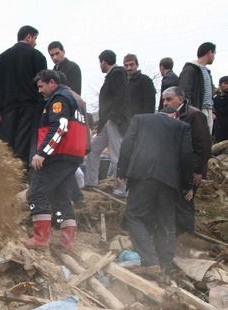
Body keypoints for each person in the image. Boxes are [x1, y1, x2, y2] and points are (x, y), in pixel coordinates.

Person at [117, 108, 193, 273]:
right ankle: (166, 266)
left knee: (134, 215)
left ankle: (150, 259)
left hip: (142, 175)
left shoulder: (140, 118)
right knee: (166, 222)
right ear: (174, 116)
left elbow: (127, 144)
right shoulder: (182, 127)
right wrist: (187, 184)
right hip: (169, 180)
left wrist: (122, 171)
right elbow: (187, 156)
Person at [24, 70, 87, 250]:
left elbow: (60, 127)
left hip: (59, 154)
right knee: (61, 195)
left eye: (41, 86)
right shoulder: (76, 99)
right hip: (72, 155)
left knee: (37, 191)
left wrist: (43, 152)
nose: (39, 91)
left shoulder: (59, 99)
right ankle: (67, 241)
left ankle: (40, 238)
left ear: (52, 82)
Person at [0, 25, 48, 163]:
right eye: (35, 38)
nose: (36, 43)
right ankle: (21, 176)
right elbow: (42, 83)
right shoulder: (37, 56)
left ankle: (8, 176)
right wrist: (42, 106)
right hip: (30, 108)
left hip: (7, 109)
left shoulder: (2, 58)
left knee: (7, 145)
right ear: (29, 36)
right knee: (24, 144)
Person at [161, 86, 212, 234]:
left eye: (169, 99)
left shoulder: (194, 115)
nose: (165, 103)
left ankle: (186, 236)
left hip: (190, 167)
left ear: (181, 99)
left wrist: (198, 170)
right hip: (174, 167)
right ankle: (174, 234)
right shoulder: (170, 115)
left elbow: (203, 145)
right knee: (174, 200)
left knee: (185, 202)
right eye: (164, 99)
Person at [83, 50, 130, 192]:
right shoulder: (113, 75)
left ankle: (120, 190)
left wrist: (112, 117)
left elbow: (119, 97)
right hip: (107, 122)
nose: (100, 66)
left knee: (116, 156)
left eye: (100, 63)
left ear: (103, 61)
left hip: (115, 121)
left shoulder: (117, 73)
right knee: (93, 150)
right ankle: (91, 183)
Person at [179, 42, 217, 132]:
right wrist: (191, 111)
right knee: (197, 139)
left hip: (208, 110)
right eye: (214, 54)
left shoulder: (207, 72)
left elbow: (209, 94)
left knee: (206, 140)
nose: (214, 57)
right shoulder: (190, 69)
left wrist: (212, 110)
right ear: (209, 53)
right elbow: (184, 91)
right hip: (198, 110)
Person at [214, 76, 228, 142]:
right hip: (220, 129)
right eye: (225, 83)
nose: (227, 85)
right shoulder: (216, 98)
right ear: (219, 85)